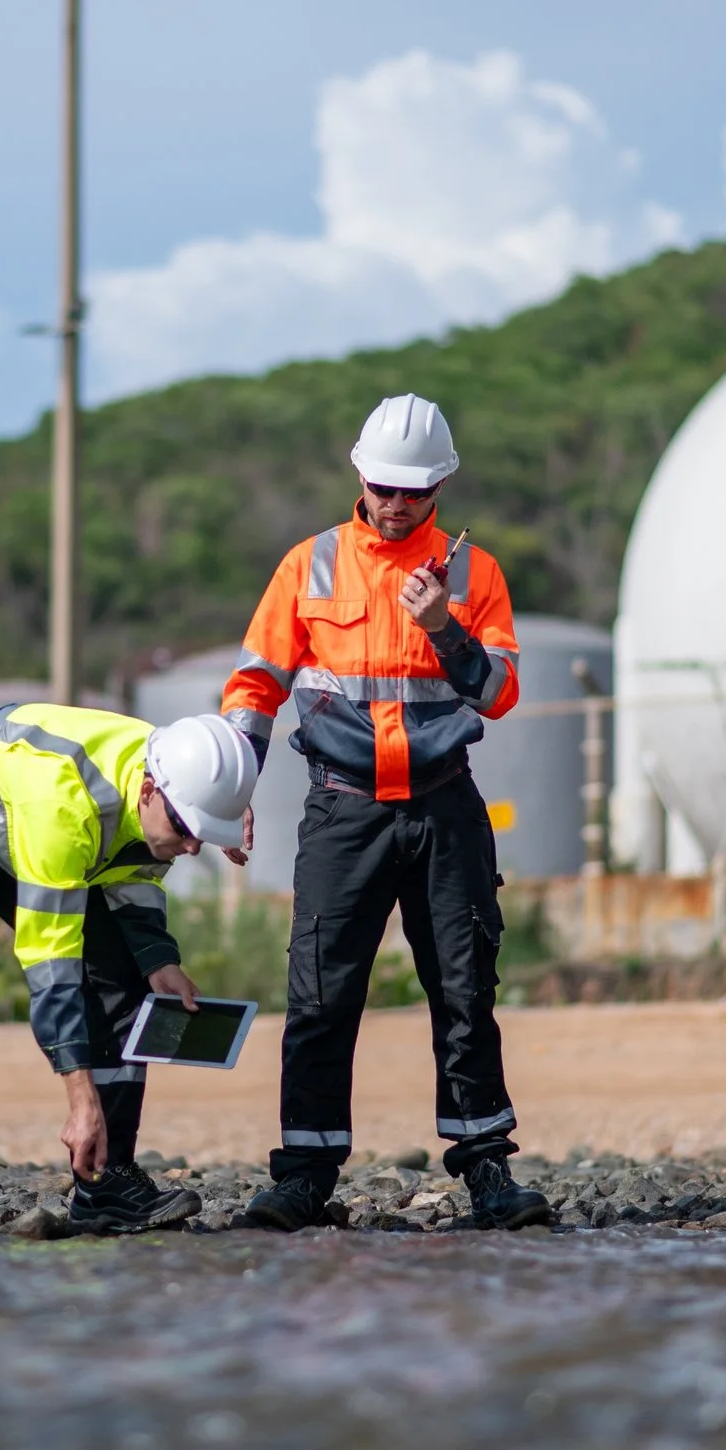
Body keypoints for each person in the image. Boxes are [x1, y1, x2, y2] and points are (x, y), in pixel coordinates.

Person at [218, 393, 552, 1232]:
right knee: (322, 994)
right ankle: (304, 1173)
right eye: (382, 485)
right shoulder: (309, 565)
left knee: (465, 990)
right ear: (358, 474)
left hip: (445, 807)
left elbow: (499, 692)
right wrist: (228, 790)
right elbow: (256, 686)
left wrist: (444, 626)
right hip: (344, 808)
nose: (395, 502)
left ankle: (486, 1170)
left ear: (440, 486)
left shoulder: (473, 575)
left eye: (412, 489)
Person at [0, 701, 259, 1236]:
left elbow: (135, 877)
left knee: (120, 978)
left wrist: (158, 960)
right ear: (148, 791)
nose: (192, 847)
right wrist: (81, 1100)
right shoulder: (65, 806)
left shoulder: (170, 785)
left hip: (14, 820)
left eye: (203, 836)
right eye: (187, 829)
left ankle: (108, 1184)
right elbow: (51, 963)